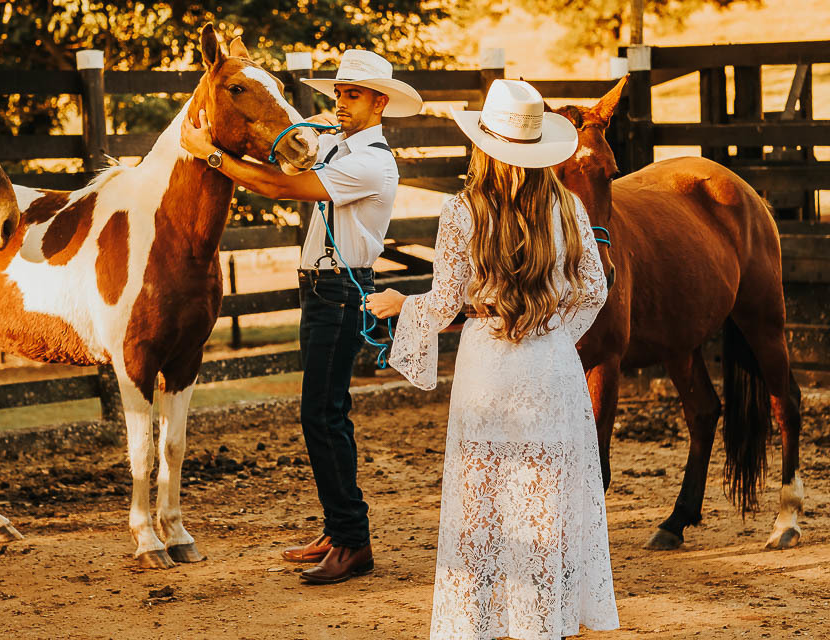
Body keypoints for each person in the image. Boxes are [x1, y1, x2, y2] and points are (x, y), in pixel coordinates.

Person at [366, 80, 619, 639]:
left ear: (484, 145)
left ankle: (482, 621)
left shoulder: (463, 211)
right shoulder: (569, 207)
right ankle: (541, 622)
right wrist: (554, 334)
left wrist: (397, 303)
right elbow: (595, 289)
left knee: (481, 495)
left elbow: (446, 300)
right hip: (551, 367)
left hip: (488, 367)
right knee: (545, 496)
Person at [180, 48, 422, 584]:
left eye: (352, 95)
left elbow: (279, 185)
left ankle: (353, 541)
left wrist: (208, 155)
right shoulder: (335, 144)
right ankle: (339, 530)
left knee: (324, 414)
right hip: (320, 291)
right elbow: (282, 151)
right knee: (322, 412)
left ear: (379, 102)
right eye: (338, 93)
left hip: (339, 293)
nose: (340, 102)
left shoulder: (372, 163)